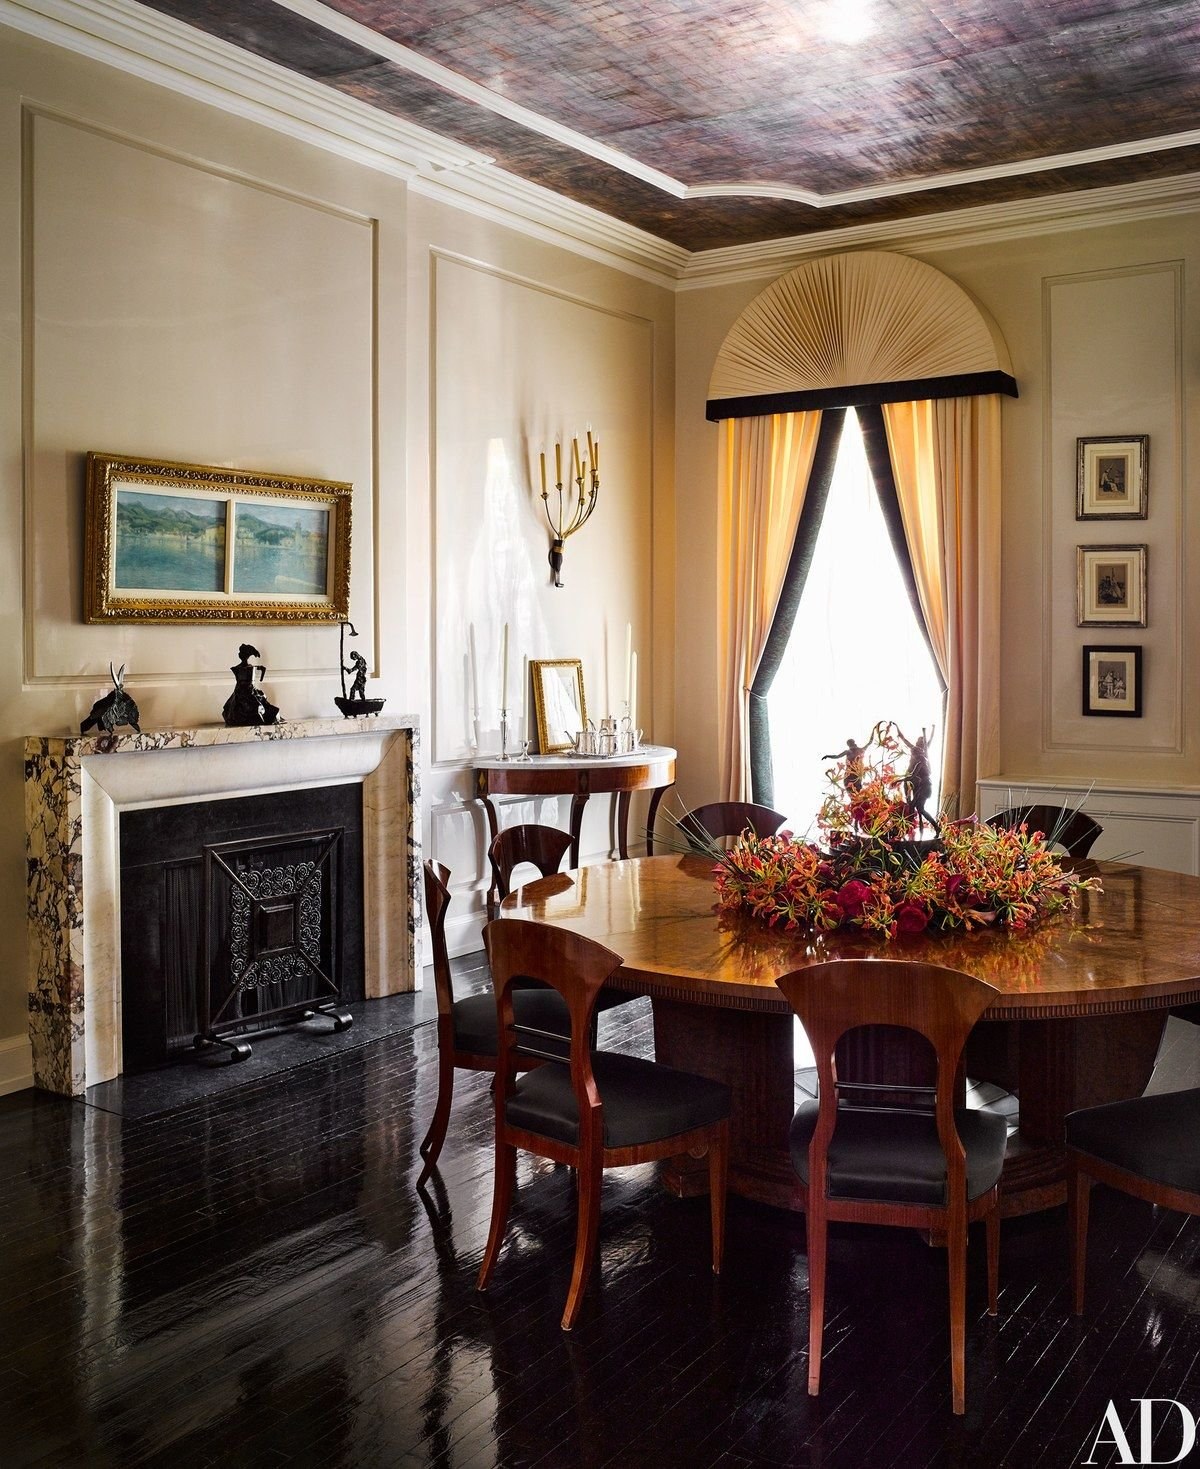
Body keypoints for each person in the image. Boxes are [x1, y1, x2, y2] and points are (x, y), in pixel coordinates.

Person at [894, 724, 939, 833]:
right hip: (920, 783)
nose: (913, 753)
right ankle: (914, 827)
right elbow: (904, 739)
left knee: (915, 806)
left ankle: (910, 827)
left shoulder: (920, 760)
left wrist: (898, 780)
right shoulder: (920, 755)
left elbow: (913, 775)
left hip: (922, 784)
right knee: (916, 806)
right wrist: (897, 728)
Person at [222, 644, 281, 726]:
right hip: (240, 690)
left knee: (258, 704)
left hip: (249, 690)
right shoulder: (239, 668)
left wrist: (261, 678)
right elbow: (262, 668)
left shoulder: (248, 667)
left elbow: (262, 668)